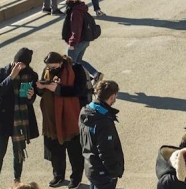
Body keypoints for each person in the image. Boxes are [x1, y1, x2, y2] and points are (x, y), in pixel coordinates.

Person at [37, 53, 88, 189]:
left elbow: (80, 90)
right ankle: (58, 176)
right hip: (51, 117)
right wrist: (40, 88)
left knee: (74, 150)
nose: (50, 69)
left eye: (53, 67)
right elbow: (43, 91)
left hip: (71, 116)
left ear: (60, 63)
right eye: (48, 67)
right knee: (56, 150)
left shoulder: (76, 69)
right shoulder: (47, 70)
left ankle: (75, 178)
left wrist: (58, 89)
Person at [0, 48, 39, 185]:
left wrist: (30, 97)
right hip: (3, 119)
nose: (19, 67)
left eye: (23, 65)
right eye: (17, 63)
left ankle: (17, 181)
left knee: (19, 153)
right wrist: (11, 76)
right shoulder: (3, 72)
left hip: (20, 120)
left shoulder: (31, 75)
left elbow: (30, 99)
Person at [79, 80, 123, 189]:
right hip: (103, 174)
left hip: (90, 167)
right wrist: (114, 172)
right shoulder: (104, 121)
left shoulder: (86, 111)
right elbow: (106, 151)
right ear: (112, 96)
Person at [61, 0, 103, 85]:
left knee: (69, 63)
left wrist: (72, 43)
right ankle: (95, 74)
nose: (68, 0)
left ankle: (79, 81)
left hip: (77, 42)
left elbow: (76, 29)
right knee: (78, 61)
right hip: (84, 40)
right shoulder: (79, 8)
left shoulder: (75, 12)